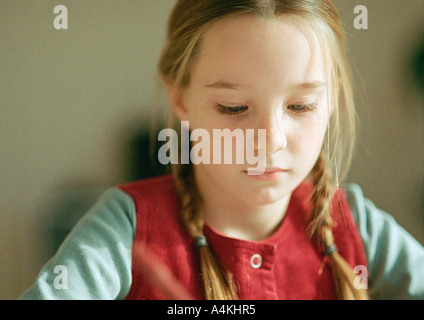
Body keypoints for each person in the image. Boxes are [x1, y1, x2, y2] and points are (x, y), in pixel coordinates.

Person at [19, 0, 424, 300]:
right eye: (234, 108)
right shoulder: (126, 228)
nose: (271, 139)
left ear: (332, 98)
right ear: (180, 98)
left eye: (300, 106)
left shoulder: (357, 225)